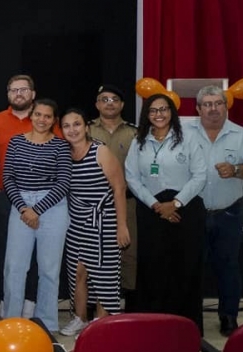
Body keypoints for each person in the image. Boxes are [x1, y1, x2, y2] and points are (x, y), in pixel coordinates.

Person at [124, 93, 206, 332]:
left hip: (186, 210)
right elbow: (131, 176)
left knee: (186, 268)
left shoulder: (189, 137)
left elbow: (200, 175)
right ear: (146, 115)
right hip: (151, 211)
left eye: (163, 109)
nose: (158, 114)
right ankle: (154, 327)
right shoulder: (139, 140)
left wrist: (176, 203)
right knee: (153, 269)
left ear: (172, 112)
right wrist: (156, 205)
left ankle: (187, 327)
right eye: (153, 110)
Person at [184, 85, 243, 336]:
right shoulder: (183, 133)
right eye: (207, 104)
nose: (213, 109)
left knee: (228, 267)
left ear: (226, 106)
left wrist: (236, 170)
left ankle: (228, 316)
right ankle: (191, 319)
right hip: (192, 213)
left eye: (218, 103)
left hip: (228, 213)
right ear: (198, 108)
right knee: (191, 267)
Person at [0, 74, 54, 316]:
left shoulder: (45, 120)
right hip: (5, 196)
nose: (19, 94)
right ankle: (8, 304)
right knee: (8, 254)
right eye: (13, 90)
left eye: (23, 90)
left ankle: (31, 305)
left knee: (38, 256)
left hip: (43, 201)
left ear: (33, 94)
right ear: (8, 94)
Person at [2, 98, 71, 332]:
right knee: (14, 267)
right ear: (31, 115)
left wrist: (37, 210)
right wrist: (24, 208)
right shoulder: (16, 142)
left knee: (49, 270)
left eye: (47, 116)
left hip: (53, 208)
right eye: (38, 114)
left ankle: (46, 325)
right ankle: (11, 321)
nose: (42, 119)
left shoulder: (61, 146)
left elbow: (63, 183)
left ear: (54, 120)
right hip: (20, 206)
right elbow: (8, 178)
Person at [59, 108, 130, 336]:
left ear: (86, 127)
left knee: (104, 274)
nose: (72, 129)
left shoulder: (100, 151)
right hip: (76, 223)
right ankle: (79, 318)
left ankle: (101, 323)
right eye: (67, 126)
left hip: (104, 222)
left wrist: (121, 226)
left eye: (76, 124)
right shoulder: (65, 155)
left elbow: (119, 188)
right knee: (77, 272)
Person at [88, 84, 138, 310]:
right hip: (92, 206)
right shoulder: (86, 130)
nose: (109, 103)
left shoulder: (134, 133)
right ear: (97, 104)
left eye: (114, 99)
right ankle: (92, 304)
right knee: (92, 254)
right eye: (104, 99)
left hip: (126, 203)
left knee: (128, 252)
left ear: (122, 105)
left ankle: (125, 302)